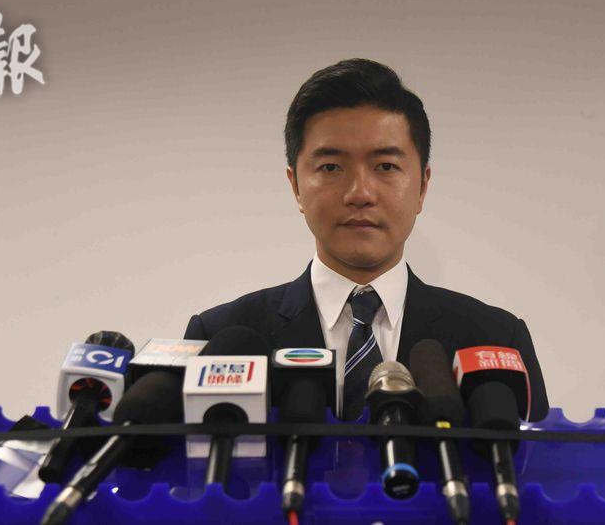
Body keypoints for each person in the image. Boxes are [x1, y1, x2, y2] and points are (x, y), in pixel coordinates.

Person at [184, 58, 548, 422]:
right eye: (331, 167)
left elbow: (538, 456)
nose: (360, 193)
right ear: (295, 186)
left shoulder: (496, 340)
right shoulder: (218, 338)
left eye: (385, 166)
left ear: (422, 186)